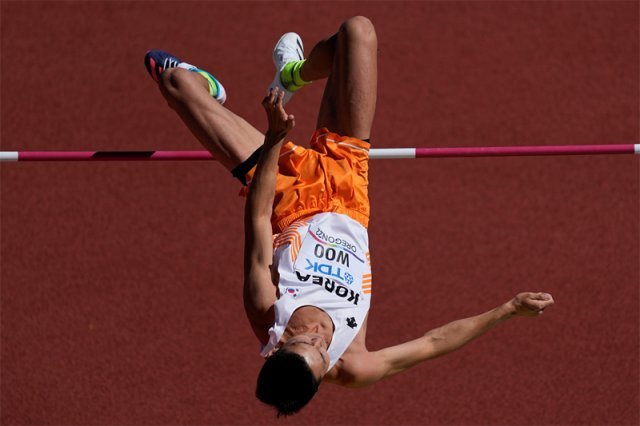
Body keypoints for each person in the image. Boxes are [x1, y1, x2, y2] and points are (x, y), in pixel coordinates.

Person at [144, 16, 555, 417]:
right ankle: (291, 74)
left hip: (286, 187)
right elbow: (432, 344)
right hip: (348, 186)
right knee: (357, 32)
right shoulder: (355, 364)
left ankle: (284, 76)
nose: (319, 336)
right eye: (322, 350)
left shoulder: (267, 308)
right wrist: (508, 310)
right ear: (324, 375)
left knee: (171, 77)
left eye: (304, 340)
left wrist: (274, 138)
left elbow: (258, 215)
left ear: (280, 345)